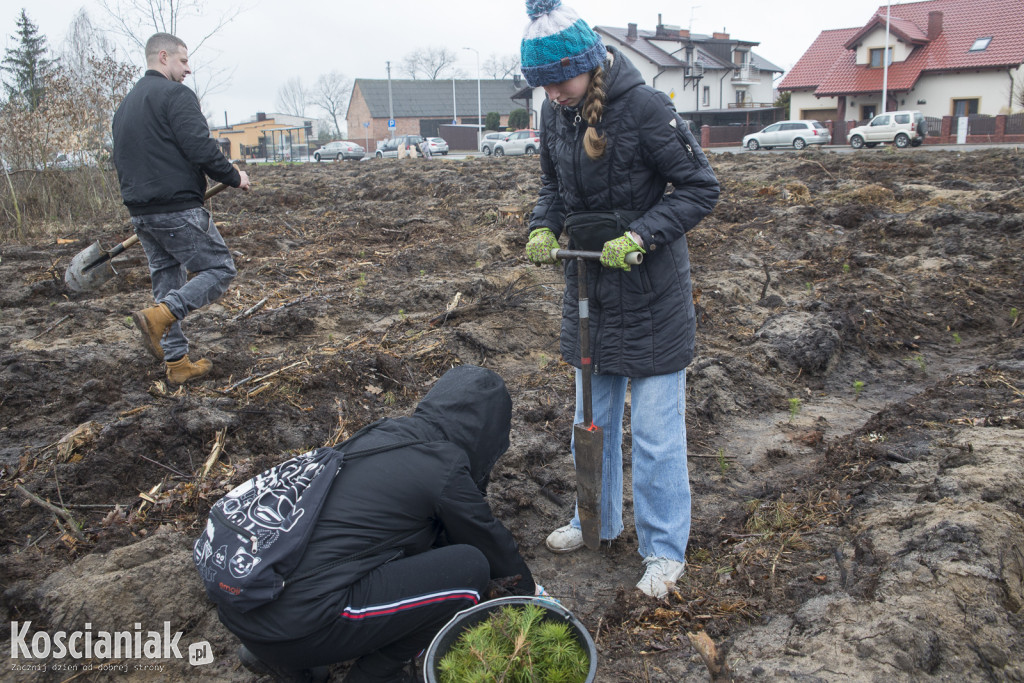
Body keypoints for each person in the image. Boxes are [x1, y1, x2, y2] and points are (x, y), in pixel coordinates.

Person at [520, 0, 720, 598]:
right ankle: (593, 521)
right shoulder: (557, 113)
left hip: (651, 297)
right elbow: (553, 187)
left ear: (586, 65)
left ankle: (663, 550)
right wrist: (541, 225)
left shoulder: (645, 107)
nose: (553, 93)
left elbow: (700, 187)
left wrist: (640, 234)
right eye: (543, 84)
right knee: (591, 419)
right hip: (589, 293)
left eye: (560, 80)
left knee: (656, 435)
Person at [213, 365, 542, 683]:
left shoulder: (382, 435)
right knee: (469, 569)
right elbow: (486, 537)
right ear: (489, 430)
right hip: (299, 626)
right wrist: (530, 596)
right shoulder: (443, 464)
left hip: (246, 608)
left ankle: (279, 657)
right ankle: (376, 675)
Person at [112, 32, 250, 385]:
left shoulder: (125, 106)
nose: (188, 69)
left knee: (167, 279)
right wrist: (234, 176)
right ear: (163, 57)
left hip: (141, 212)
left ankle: (176, 364)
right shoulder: (176, 95)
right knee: (220, 268)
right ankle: (161, 317)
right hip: (176, 208)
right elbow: (200, 148)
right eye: (183, 61)